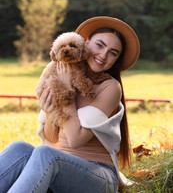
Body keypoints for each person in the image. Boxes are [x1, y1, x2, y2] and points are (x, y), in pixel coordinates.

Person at [0, 16, 140, 193]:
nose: (103, 55)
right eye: (99, 45)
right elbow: (51, 139)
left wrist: (66, 94)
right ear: (86, 43)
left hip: (98, 176)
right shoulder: (61, 74)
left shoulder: (110, 87)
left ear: (116, 59)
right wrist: (51, 110)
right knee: (19, 148)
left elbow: (75, 140)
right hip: (61, 166)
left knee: (45, 154)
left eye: (113, 53)